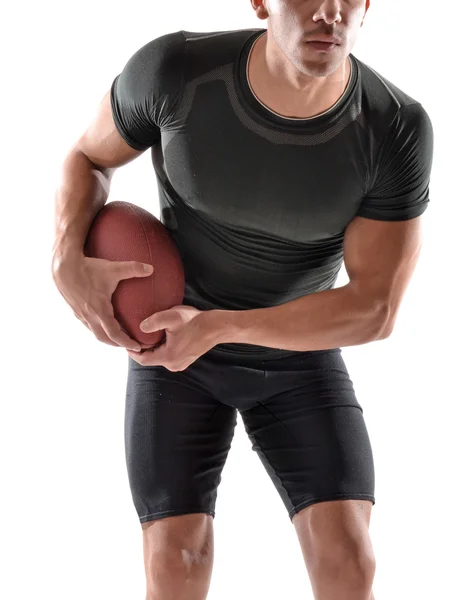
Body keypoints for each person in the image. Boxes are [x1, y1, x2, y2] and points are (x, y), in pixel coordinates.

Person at [52, 1, 433, 598]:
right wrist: (64, 257)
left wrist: (222, 327)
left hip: (295, 348)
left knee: (349, 562)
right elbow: (89, 157)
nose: (328, 12)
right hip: (176, 349)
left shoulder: (394, 126)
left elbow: (375, 309)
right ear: (260, 2)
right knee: (176, 560)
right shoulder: (175, 70)